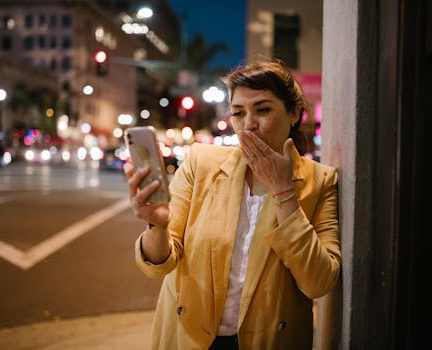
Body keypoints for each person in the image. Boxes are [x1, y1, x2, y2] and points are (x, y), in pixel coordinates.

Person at [124, 59, 341, 350]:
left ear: (294, 114)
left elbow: (319, 282)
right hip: (190, 336)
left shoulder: (320, 181)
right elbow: (159, 264)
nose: (249, 124)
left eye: (263, 110)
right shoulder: (201, 163)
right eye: (238, 113)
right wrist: (157, 225)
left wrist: (283, 191)